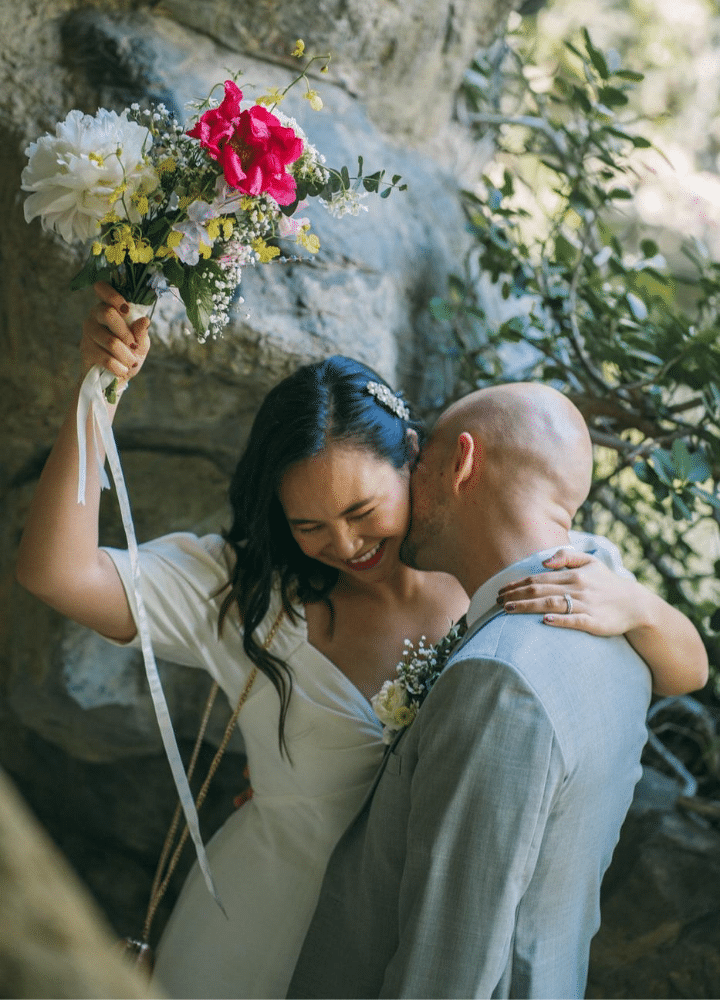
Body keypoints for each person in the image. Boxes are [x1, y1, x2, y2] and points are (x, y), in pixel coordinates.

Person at [15, 283, 707, 1000]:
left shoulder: (531, 576)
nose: (343, 544)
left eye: (361, 510)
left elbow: (682, 671)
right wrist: (99, 395)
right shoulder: (246, 591)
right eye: (307, 526)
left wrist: (639, 607)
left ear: (418, 460)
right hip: (253, 944)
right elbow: (57, 573)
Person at [288, 383, 691, 1000]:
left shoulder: (502, 680)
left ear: (463, 462)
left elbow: (446, 968)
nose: (407, 484)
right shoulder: (607, 593)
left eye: (420, 463)